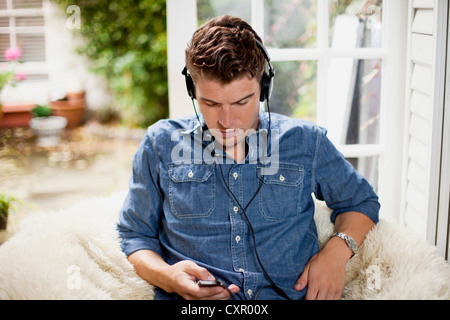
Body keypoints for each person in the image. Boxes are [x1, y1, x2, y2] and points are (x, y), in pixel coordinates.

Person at [117, 15, 380, 300]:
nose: (226, 121)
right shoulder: (160, 143)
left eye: (242, 102)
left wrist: (335, 254)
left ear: (263, 88)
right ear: (192, 90)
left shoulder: (306, 141)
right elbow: (134, 235)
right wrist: (168, 278)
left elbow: (361, 201)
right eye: (210, 103)